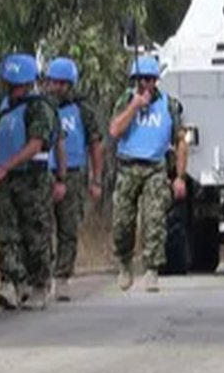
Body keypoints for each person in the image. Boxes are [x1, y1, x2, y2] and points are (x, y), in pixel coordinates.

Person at [0, 53, 58, 311]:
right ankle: (10, 283)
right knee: (6, 234)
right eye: (10, 85)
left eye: (18, 85)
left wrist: (5, 166)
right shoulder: (0, 106)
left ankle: (39, 286)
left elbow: (35, 144)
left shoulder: (39, 107)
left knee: (35, 234)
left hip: (33, 179)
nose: (14, 90)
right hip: (5, 181)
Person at [108, 55, 188, 293]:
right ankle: (124, 263)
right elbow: (114, 130)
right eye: (140, 79)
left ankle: (152, 269)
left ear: (155, 81)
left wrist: (180, 177)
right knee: (122, 222)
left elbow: (181, 141)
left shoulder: (169, 106)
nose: (144, 84)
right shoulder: (125, 100)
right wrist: (134, 106)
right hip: (128, 167)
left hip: (155, 167)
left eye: (148, 79)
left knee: (155, 220)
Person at [43, 57, 104, 302]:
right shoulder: (41, 108)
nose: (55, 88)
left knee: (68, 229)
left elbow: (96, 144)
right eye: (52, 82)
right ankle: (41, 276)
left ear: (70, 85)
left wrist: (96, 179)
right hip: (43, 174)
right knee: (41, 227)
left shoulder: (82, 110)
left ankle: (62, 278)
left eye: (61, 84)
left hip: (74, 175)